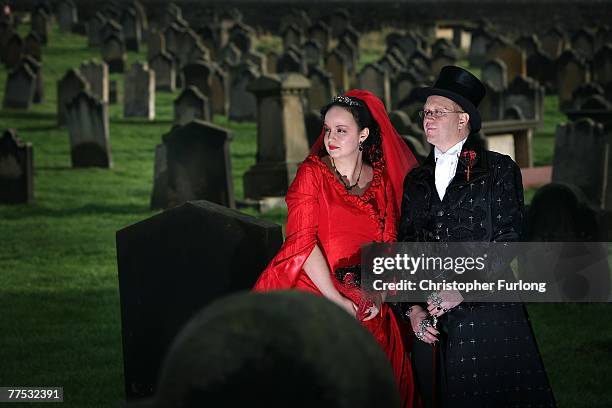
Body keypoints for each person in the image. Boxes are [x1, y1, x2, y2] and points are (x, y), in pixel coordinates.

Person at [397, 65, 556, 407]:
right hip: (431, 320)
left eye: (438, 111)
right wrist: (411, 309)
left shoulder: (499, 169)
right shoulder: (416, 180)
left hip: (489, 315)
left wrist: (463, 288)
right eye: (425, 112)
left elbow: (508, 239)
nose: (428, 118)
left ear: (463, 119)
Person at [254, 90, 420, 407]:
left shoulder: (382, 180)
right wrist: (338, 300)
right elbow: (302, 240)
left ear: (364, 135)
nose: (330, 137)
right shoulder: (312, 174)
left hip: (365, 289)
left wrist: (378, 292)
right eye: (327, 129)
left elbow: (388, 245)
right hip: (317, 286)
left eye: (341, 130)